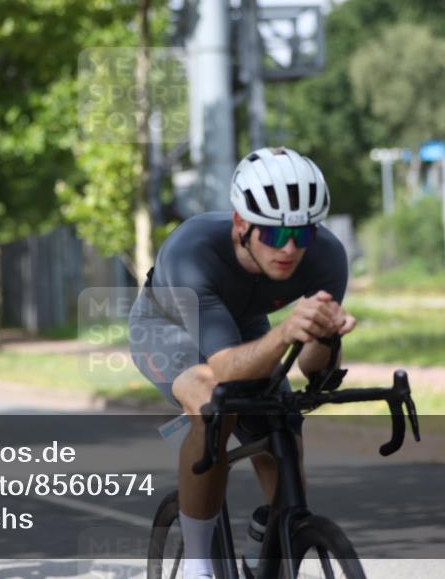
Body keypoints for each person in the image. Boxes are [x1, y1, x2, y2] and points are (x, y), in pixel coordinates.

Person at [128, 147, 355, 579]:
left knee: (281, 419)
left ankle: (275, 538)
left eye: (303, 234)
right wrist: (285, 332)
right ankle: (198, 565)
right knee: (215, 406)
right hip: (166, 322)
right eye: (274, 234)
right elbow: (226, 370)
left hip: (245, 321)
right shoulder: (194, 251)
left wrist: (326, 335)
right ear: (241, 224)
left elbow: (314, 370)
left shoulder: (327, 256)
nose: (290, 248)